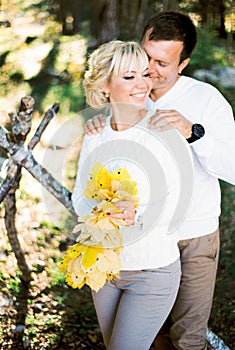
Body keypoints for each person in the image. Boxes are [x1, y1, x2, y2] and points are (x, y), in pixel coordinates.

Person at [83, 11, 235, 350]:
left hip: (192, 236)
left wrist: (192, 133)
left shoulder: (206, 99)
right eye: (145, 55)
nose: (149, 70)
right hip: (135, 242)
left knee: (186, 337)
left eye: (162, 63)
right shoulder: (127, 92)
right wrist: (97, 126)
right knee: (145, 336)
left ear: (183, 64)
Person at [72, 40, 184, 350]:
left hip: (151, 270)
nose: (142, 85)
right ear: (105, 86)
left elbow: (176, 203)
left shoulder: (162, 130)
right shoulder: (96, 133)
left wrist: (139, 216)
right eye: (129, 76)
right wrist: (99, 209)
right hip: (105, 270)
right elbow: (78, 197)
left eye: (145, 74)